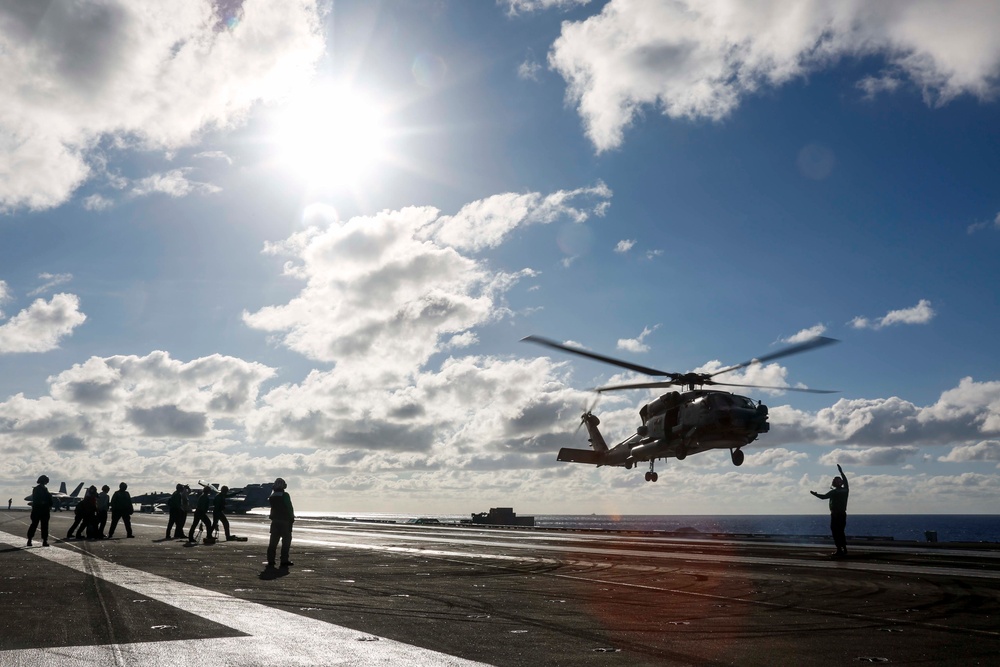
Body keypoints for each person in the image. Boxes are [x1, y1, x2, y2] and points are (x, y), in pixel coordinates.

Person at [811, 464, 850, 557]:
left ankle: (839, 549)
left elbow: (823, 497)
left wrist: (815, 494)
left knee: (835, 531)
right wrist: (841, 472)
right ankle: (844, 549)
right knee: (841, 531)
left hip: (835, 514)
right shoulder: (846, 490)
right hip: (843, 514)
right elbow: (846, 481)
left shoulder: (834, 492)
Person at [266, 477, 295, 570]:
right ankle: (284, 561)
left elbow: (272, 509)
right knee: (286, 542)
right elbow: (289, 507)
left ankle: (271, 560)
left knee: (273, 542)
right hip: (285, 521)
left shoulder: (272, 496)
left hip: (275, 521)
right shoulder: (285, 495)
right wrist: (292, 517)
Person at [26, 475, 53, 547]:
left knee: (40, 525)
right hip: (39, 510)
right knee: (37, 525)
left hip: (41, 510)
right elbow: (37, 499)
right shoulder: (38, 489)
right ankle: (31, 540)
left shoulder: (43, 489)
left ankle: (43, 540)